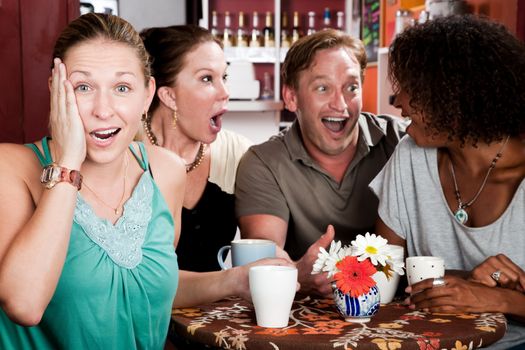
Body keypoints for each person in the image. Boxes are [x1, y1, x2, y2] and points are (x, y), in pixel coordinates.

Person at [0, 13, 290, 350]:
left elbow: (150, 286)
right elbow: (24, 303)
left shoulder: (165, 171)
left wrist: (235, 280)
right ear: (55, 89)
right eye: (82, 87)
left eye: (122, 88)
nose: (103, 109)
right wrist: (68, 163)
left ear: (147, 94)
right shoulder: (12, 167)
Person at [369, 15, 525, 349]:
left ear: (456, 101)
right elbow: (384, 275)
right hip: (428, 342)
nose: (398, 102)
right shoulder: (410, 156)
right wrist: (466, 279)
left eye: (413, 87)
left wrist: (499, 300)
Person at [235, 29, 406, 297]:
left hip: (395, 310)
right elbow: (264, 262)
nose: (341, 105)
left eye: (351, 88)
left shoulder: (401, 141)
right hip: (307, 313)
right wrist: (298, 273)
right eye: (323, 88)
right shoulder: (263, 162)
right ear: (292, 98)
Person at [139, 25, 252, 272]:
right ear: (169, 96)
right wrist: (229, 282)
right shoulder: (125, 154)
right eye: (206, 79)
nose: (225, 93)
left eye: (224, 77)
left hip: (220, 310)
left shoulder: (237, 153)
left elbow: (260, 246)